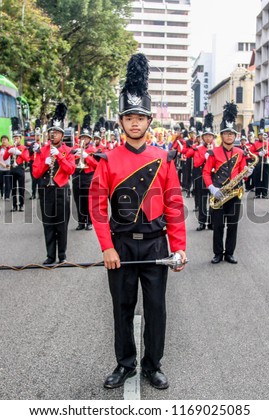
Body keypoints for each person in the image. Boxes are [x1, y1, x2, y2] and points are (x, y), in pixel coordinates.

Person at [89, 54, 186, 391]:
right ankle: (125, 363)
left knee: (156, 309)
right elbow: (98, 208)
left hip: (157, 243)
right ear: (121, 122)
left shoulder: (163, 158)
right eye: (128, 117)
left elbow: (174, 204)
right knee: (122, 308)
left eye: (140, 117)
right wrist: (107, 247)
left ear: (148, 122)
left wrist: (180, 248)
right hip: (122, 246)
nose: (134, 123)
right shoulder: (108, 160)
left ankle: (152, 365)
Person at [203, 102, 249, 264]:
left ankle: (229, 253)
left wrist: (248, 173)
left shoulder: (240, 152)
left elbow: (244, 171)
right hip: (219, 193)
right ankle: (218, 253)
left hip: (235, 193)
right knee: (218, 226)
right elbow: (206, 172)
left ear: (235, 136)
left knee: (233, 225)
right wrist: (212, 188)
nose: (229, 136)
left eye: (232, 133)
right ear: (221, 136)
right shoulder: (213, 153)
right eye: (226, 133)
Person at [32, 103, 76, 264]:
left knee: (61, 224)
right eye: (51, 131)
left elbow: (71, 170)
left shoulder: (68, 151)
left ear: (62, 135)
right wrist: (45, 162)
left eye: (56, 132)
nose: (53, 134)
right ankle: (50, 256)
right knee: (48, 224)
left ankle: (62, 255)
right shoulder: (42, 151)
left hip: (61, 190)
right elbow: (35, 173)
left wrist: (60, 156)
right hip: (46, 191)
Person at [72, 115, 98, 230]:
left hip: (88, 177)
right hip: (77, 176)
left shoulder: (94, 150)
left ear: (89, 139)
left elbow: (97, 165)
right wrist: (74, 156)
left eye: (86, 138)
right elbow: (70, 164)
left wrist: (87, 157)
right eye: (82, 138)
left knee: (88, 200)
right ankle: (81, 221)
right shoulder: (75, 149)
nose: (84, 140)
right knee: (78, 200)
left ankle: (89, 222)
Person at [192, 114, 215, 231]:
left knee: (213, 201)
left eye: (210, 136)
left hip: (213, 177)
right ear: (203, 137)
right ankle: (202, 222)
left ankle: (211, 222)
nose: (208, 138)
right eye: (206, 136)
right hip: (202, 176)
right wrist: (206, 155)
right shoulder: (199, 149)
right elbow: (196, 163)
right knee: (202, 201)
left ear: (213, 137)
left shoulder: (216, 149)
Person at [7, 118, 30, 212]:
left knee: (21, 188)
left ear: (20, 138)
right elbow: (4, 157)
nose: (16, 139)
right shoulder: (11, 147)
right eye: (14, 138)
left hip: (20, 169)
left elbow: (27, 159)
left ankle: (21, 204)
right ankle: (14, 205)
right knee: (13, 188)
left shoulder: (24, 148)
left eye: (17, 138)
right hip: (12, 169)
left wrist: (20, 153)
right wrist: (9, 151)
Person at [250, 119, 269, 199]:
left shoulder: (267, 143)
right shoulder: (255, 144)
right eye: (260, 135)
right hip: (258, 162)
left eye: (263, 135)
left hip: (265, 161)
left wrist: (267, 153)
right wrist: (258, 153)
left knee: (265, 178)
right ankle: (258, 193)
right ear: (258, 136)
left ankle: (264, 193)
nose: (262, 136)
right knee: (257, 177)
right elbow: (251, 153)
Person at [0, 135, 13, 200]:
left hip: (8, 169)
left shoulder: (10, 148)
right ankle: (2, 193)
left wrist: (9, 166)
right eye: (2, 140)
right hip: (0, 168)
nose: (4, 141)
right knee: (0, 182)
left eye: (5, 139)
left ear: (8, 140)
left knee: (7, 182)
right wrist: (3, 165)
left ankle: (7, 196)